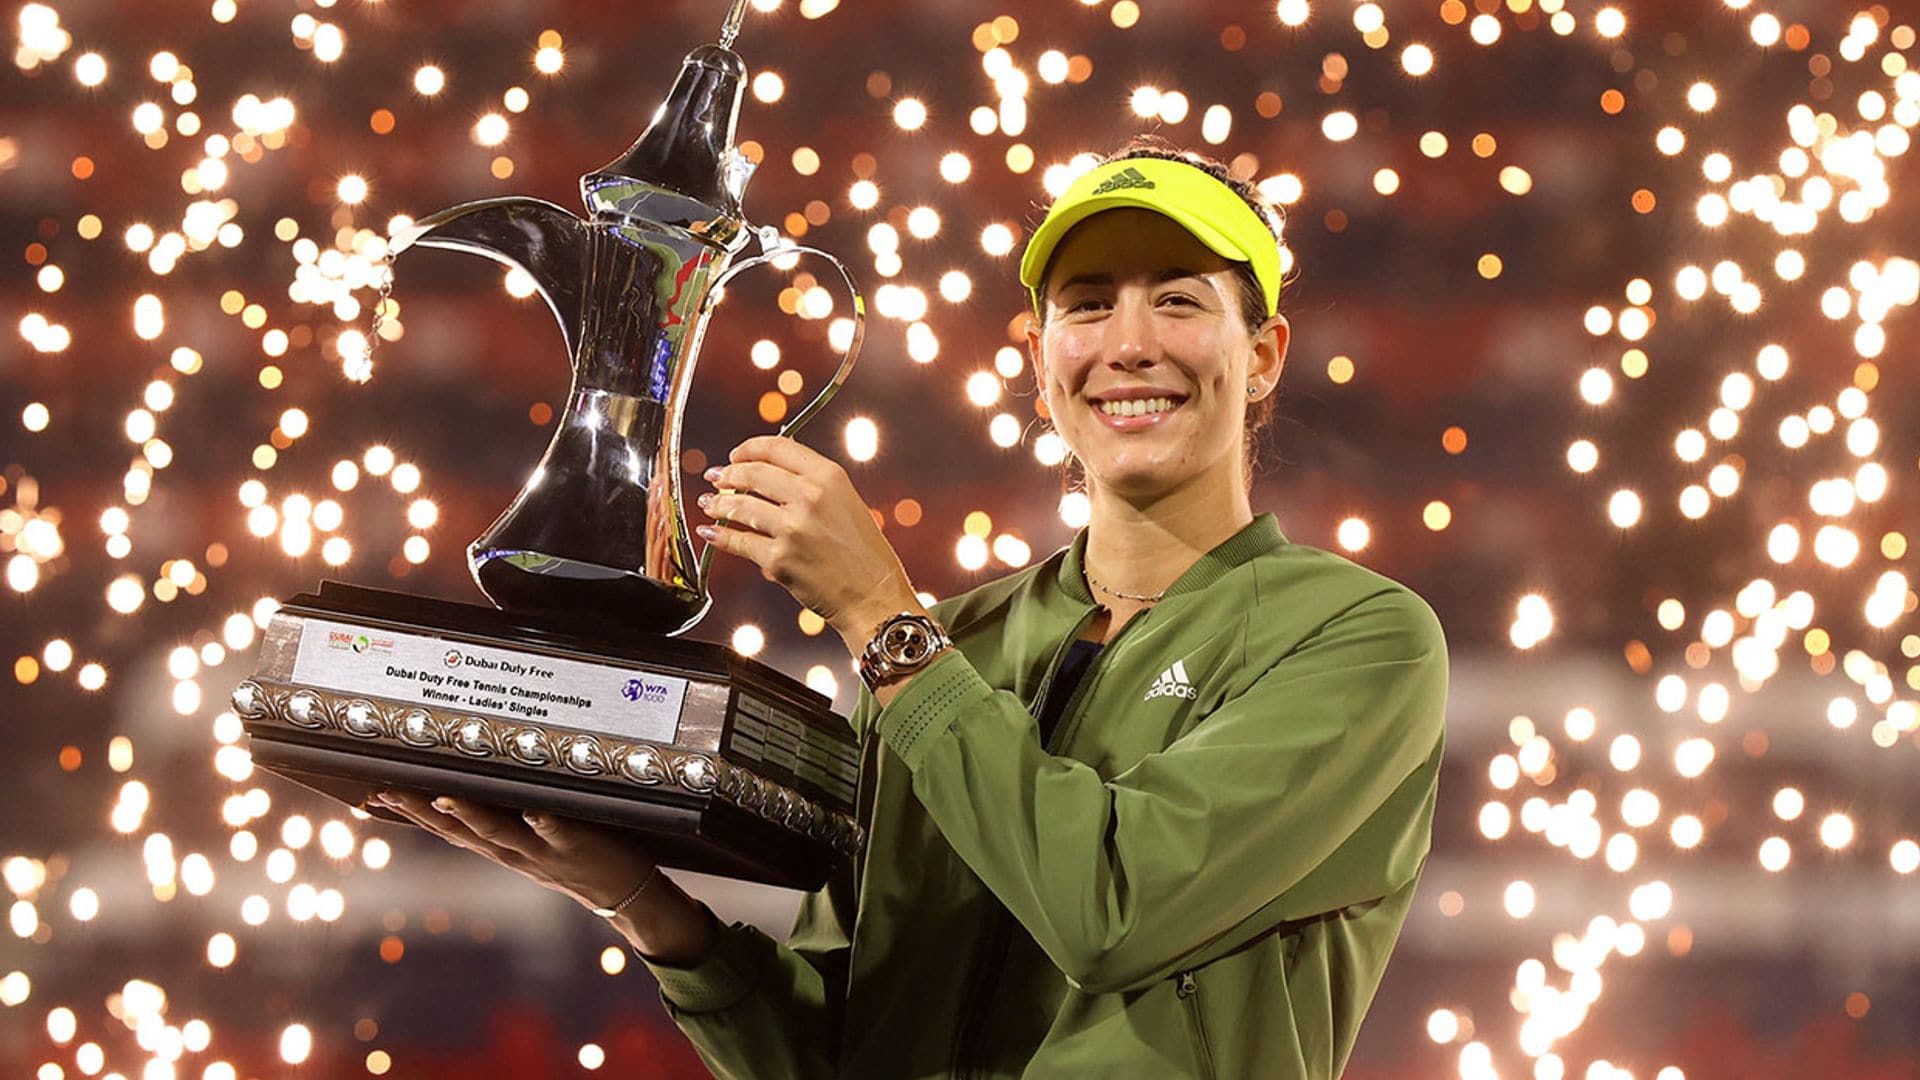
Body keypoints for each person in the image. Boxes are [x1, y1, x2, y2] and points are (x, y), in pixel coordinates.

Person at [377, 138, 1449, 1079]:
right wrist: (647, 909)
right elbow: (848, 1044)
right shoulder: (955, 645)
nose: (1130, 343)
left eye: (1179, 297)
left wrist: (883, 618)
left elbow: (1115, 915)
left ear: (1261, 356)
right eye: (1087, 303)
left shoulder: (1357, 638)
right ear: (1039, 365)